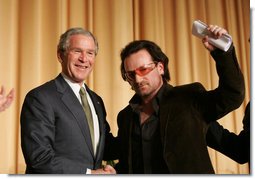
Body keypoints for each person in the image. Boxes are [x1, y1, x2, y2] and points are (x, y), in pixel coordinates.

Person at [112, 24, 245, 173]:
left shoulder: (189, 98)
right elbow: (130, 164)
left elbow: (232, 95)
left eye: (143, 69)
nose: (137, 79)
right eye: (130, 74)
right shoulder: (125, 117)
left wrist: (223, 55)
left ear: (160, 68)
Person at [20, 27, 116, 174]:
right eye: (77, 51)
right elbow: (39, 157)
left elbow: (105, 147)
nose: (84, 59)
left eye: (90, 53)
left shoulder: (96, 100)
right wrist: (89, 174)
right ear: (60, 55)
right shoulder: (40, 98)